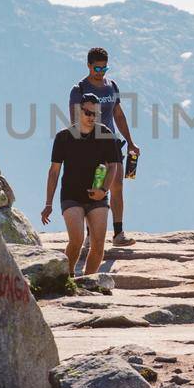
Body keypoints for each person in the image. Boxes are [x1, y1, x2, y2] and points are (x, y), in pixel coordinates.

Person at [42, 93, 123, 276]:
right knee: (77, 239)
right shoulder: (63, 137)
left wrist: (103, 191)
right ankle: (68, 276)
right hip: (71, 196)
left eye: (95, 113)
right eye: (87, 112)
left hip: (98, 197)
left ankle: (89, 281)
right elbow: (54, 172)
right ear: (79, 111)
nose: (91, 117)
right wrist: (48, 204)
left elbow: (113, 167)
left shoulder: (105, 134)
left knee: (99, 244)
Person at [68, 46, 140, 245]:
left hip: (112, 143)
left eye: (104, 69)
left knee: (117, 186)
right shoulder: (80, 89)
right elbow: (75, 121)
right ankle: (91, 236)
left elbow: (118, 114)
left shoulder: (111, 86)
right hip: (89, 145)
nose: (100, 73)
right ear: (89, 65)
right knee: (95, 188)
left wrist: (131, 142)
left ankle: (118, 234)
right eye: (97, 69)